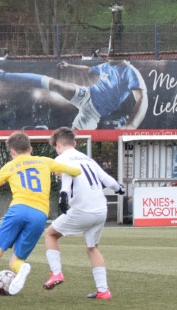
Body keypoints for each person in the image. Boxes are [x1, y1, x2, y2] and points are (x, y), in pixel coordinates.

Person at [0, 130, 81, 306]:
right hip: (40, 215)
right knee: (16, 260)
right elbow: (75, 171)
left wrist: (0, 182)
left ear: (12, 152)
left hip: (18, 210)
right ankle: (22, 268)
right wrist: (60, 172)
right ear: (31, 149)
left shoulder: (9, 167)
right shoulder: (45, 161)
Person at [41, 127, 125, 300]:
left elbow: (67, 177)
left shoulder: (61, 158)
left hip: (82, 210)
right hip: (101, 210)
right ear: (74, 143)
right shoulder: (88, 159)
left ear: (57, 144)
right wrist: (119, 188)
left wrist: (63, 196)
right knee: (92, 248)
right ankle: (103, 291)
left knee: (50, 234)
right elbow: (107, 179)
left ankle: (56, 273)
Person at [0, 59, 148, 130]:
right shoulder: (108, 65)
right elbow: (89, 69)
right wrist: (69, 66)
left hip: (94, 113)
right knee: (56, 84)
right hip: (87, 94)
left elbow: (142, 98)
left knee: (70, 140)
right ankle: (4, 75)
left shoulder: (130, 72)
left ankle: (44, 133)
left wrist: (131, 125)